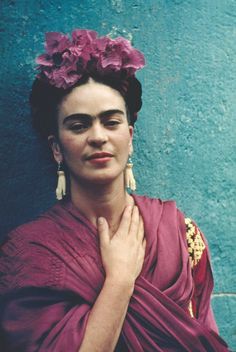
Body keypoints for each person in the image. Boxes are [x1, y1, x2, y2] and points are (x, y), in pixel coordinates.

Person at [0, 29, 230, 352]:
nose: (98, 136)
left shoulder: (179, 236)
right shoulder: (29, 256)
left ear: (130, 135)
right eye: (79, 125)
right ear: (56, 148)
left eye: (111, 122)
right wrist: (119, 283)